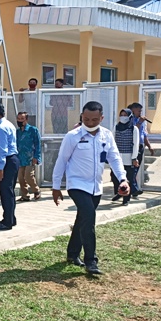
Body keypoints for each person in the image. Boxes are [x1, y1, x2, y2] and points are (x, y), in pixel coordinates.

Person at [52, 101, 130, 275]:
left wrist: (123, 179)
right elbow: (61, 161)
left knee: (83, 219)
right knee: (89, 217)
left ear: (101, 118)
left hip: (96, 187)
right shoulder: (72, 136)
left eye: (94, 119)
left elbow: (114, 158)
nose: (90, 122)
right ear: (81, 116)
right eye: (86, 119)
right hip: (76, 185)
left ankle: (72, 254)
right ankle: (91, 261)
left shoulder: (107, 136)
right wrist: (56, 186)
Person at [0, 104, 20, 230]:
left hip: (6, 161)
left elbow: (3, 149)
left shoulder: (1, 128)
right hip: (12, 160)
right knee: (9, 192)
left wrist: (0, 167)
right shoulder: (9, 124)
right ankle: (10, 218)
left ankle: (7, 222)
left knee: (5, 192)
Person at [111, 108, 140, 206]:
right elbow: (113, 141)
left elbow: (135, 144)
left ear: (129, 116)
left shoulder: (133, 128)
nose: (123, 117)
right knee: (114, 177)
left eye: (125, 115)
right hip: (117, 157)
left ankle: (126, 199)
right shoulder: (116, 127)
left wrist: (134, 158)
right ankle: (119, 193)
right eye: (121, 115)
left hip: (129, 157)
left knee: (129, 178)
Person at [128, 102, 154, 196]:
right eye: (138, 110)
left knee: (136, 168)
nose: (140, 112)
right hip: (132, 146)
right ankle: (134, 189)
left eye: (141, 111)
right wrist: (139, 122)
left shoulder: (142, 121)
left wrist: (149, 146)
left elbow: (144, 134)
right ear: (133, 110)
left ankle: (133, 188)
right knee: (133, 168)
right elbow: (133, 131)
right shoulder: (130, 120)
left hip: (140, 146)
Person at [15, 111, 42, 202]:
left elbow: (38, 144)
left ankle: (36, 190)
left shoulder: (33, 130)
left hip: (30, 157)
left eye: (22, 119)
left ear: (26, 120)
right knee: (21, 177)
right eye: (18, 119)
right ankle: (25, 195)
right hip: (20, 157)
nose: (20, 121)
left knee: (28, 176)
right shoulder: (17, 132)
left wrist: (36, 156)